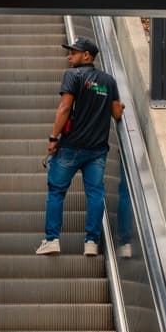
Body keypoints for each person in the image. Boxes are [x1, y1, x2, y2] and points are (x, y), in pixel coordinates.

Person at [38, 35, 122, 257]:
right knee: (95, 194)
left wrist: (53, 138)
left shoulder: (72, 75)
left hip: (70, 147)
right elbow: (116, 113)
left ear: (87, 55)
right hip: (97, 151)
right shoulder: (108, 80)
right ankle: (91, 243)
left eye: (73, 52)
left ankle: (52, 240)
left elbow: (65, 108)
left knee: (56, 192)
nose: (69, 56)